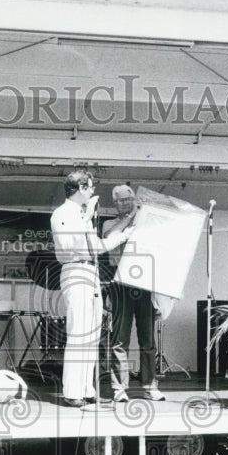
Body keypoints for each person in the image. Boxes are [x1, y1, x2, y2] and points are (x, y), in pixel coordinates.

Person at [50, 170, 132, 408]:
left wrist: (124, 234)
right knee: (79, 334)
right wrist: (85, 219)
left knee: (92, 334)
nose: (94, 191)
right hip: (75, 271)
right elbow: (67, 244)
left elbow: (96, 247)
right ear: (81, 188)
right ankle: (72, 392)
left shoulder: (80, 215)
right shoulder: (63, 213)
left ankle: (86, 390)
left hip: (90, 272)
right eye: (91, 187)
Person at [102, 184, 164, 402]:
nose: (125, 203)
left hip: (144, 285)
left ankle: (150, 386)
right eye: (121, 200)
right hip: (120, 286)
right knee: (120, 339)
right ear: (115, 203)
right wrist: (133, 215)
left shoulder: (144, 220)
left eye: (129, 199)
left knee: (148, 340)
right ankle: (119, 388)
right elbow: (109, 237)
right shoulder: (110, 223)